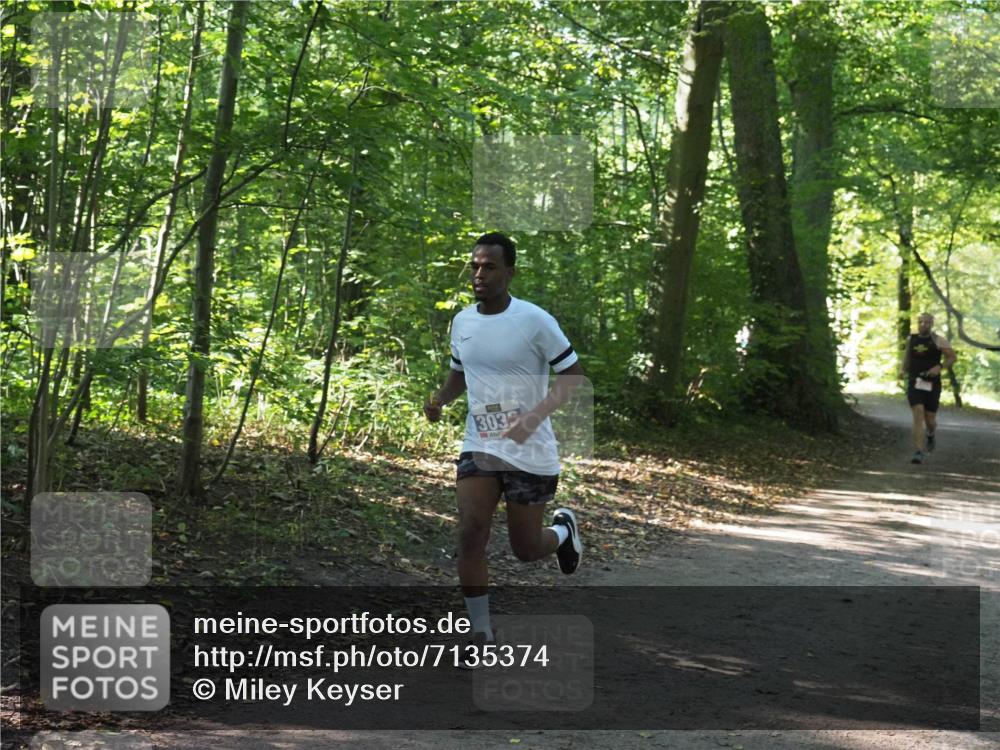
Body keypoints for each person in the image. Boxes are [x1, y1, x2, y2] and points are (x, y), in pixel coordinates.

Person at [423, 232, 584, 657]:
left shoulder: (534, 320)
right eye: (474, 266)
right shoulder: (462, 322)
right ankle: (481, 633)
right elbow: (460, 371)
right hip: (480, 444)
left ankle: (563, 533)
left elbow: (572, 376)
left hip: (530, 450)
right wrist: (441, 398)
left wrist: (530, 419)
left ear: (509, 272)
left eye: (489, 266)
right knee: (471, 532)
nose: (479, 274)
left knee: (525, 549)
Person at [899, 312, 956, 464]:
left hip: (932, 384)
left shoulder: (938, 340)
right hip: (915, 382)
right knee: (918, 413)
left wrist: (940, 367)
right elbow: (907, 357)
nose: (923, 325)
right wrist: (902, 370)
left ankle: (931, 433)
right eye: (921, 322)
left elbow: (952, 357)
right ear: (917, 323)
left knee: (929, 419)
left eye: (927, 322)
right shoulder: (912, 339)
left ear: (932, 324)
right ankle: (918, 451)